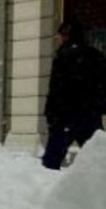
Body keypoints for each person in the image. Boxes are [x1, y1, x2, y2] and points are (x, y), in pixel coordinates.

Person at [42, 19, 106, 169]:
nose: (57, 38)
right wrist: (99, 107)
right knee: (99, 158)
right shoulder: (96, 56)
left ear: (66, 35)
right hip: (90, 115)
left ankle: (50, 189)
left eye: (59, 34)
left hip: (65, 117)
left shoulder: (63, 56)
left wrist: (51, 114)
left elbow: (56, 89)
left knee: (51, 161)